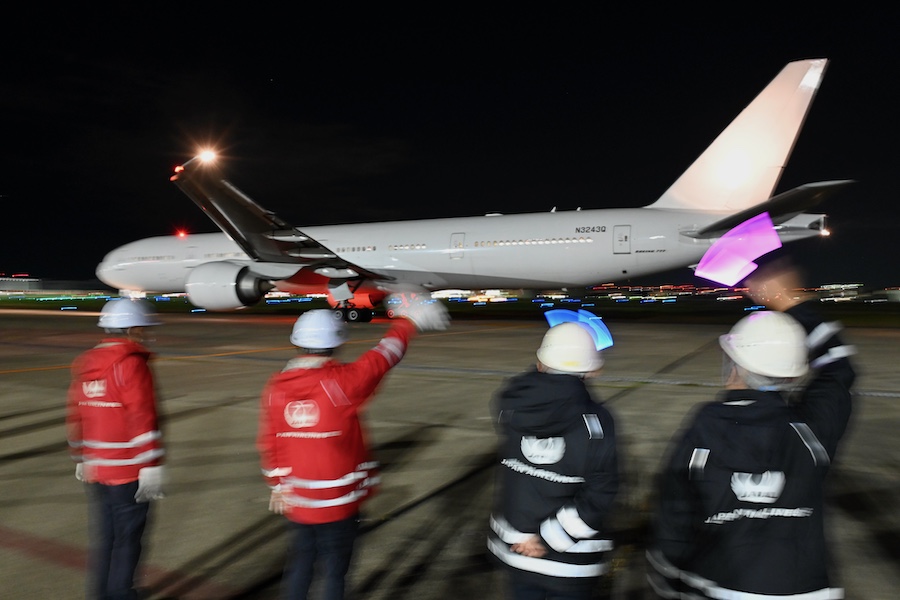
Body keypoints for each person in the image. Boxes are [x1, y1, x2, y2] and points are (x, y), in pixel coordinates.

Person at [646, 264, 856, 599]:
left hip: (723, 587)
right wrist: (790, 303)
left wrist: (668, 579)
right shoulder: (812, 431)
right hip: (809, 590)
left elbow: (676, 516)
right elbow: (839, 364)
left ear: (734, 366)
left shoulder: (705, 428)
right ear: (791, 375)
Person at [257, 297, 449, 600]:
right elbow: (384, 355)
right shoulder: (342, 384)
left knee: (301, 563)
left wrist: (278, 484)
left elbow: (269, 441)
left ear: (297, 343)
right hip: (339, 501)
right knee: (335, 570)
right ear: (336, 342)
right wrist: (407, 321)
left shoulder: (276, 387)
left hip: (298, 500)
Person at [487, 311, 619, 600]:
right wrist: (548, 539)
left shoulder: (509, 406)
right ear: (590, 370)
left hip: (517, 550)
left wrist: (525, 538)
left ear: (540, 362)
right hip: (568, 563)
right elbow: (601, 493)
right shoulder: (596, 422)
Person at [67, 299, 167, 600]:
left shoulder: (86, 362)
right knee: (128, 539)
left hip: (96, 468)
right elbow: (142, 417)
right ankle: (122, 593)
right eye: (144, 330)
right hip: (127, 470)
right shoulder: (130, 364)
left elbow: (76, 413)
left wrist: (81, 456)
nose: (146, 335)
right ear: (134, 329)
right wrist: (151, 464)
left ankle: (101, 593)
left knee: (106, 537)